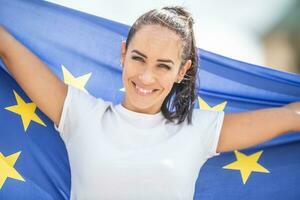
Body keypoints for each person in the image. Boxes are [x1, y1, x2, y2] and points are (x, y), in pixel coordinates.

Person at [0, 6, 299, 200]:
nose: (145, 76)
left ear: (182, 71)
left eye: (163, 66)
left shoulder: (199, 130)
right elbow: (9, 50)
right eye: (138, 58)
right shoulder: (80, 114)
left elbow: (290, 116)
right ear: (123, 53)